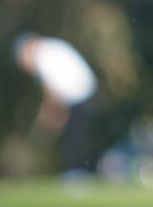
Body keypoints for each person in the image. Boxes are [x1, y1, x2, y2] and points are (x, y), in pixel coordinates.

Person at [13, 30, 98, 176]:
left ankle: (76, 174)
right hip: (83, 92)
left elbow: (52, 92)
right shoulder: (50, 47)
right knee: (75, 136)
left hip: (79, 94)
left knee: (73, 138)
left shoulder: (43, 54)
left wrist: (47, 116)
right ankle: (77, 172)